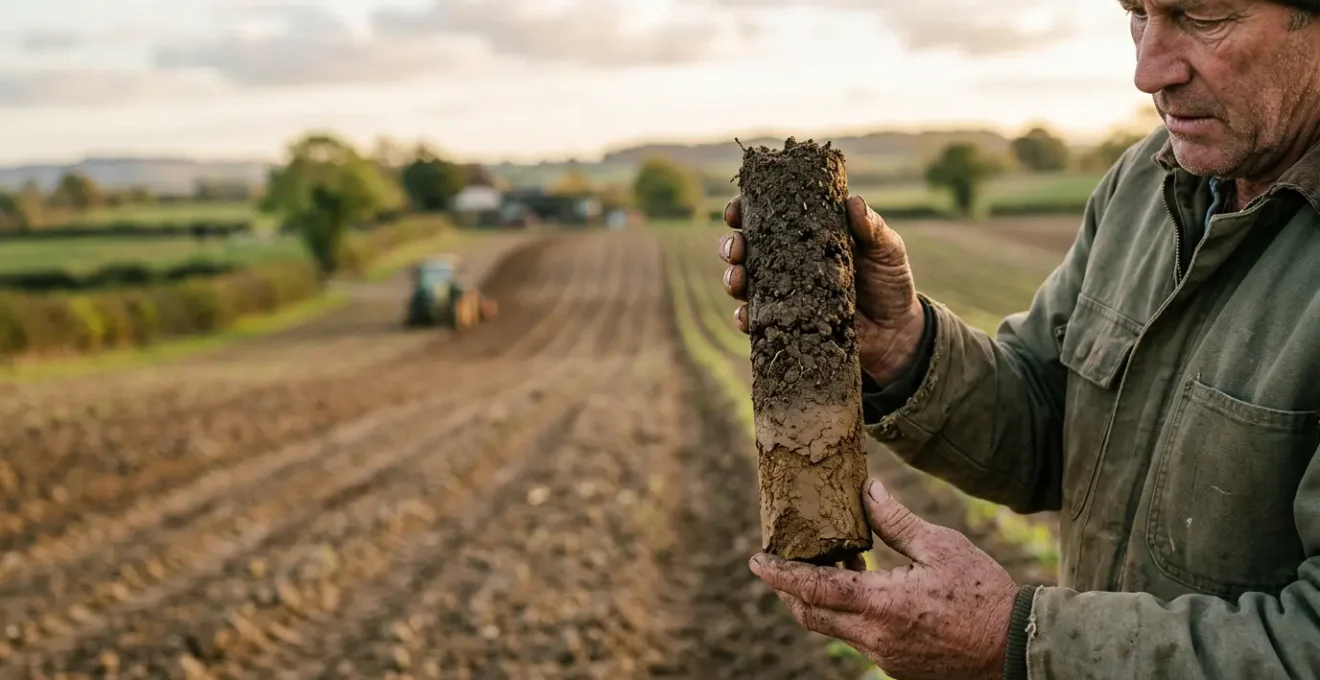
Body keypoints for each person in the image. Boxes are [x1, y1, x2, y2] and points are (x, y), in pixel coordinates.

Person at [717, 1, 1320, 678]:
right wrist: (900, 346)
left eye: (1202, 16)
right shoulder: (1145, 182)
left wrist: (1021, 644)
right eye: (1137, 12)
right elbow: (1049, 424)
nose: (1147, 71)